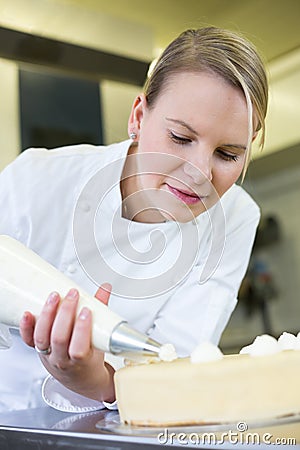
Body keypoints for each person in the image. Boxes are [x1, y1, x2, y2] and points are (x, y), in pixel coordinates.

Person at [0, 26, 268, 412]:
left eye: (227, 154)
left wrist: (97, 381)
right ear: (139, 118)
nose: (199, 173)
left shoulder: (237, 217)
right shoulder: (35, 181)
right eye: (180, 137)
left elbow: (172, 371)